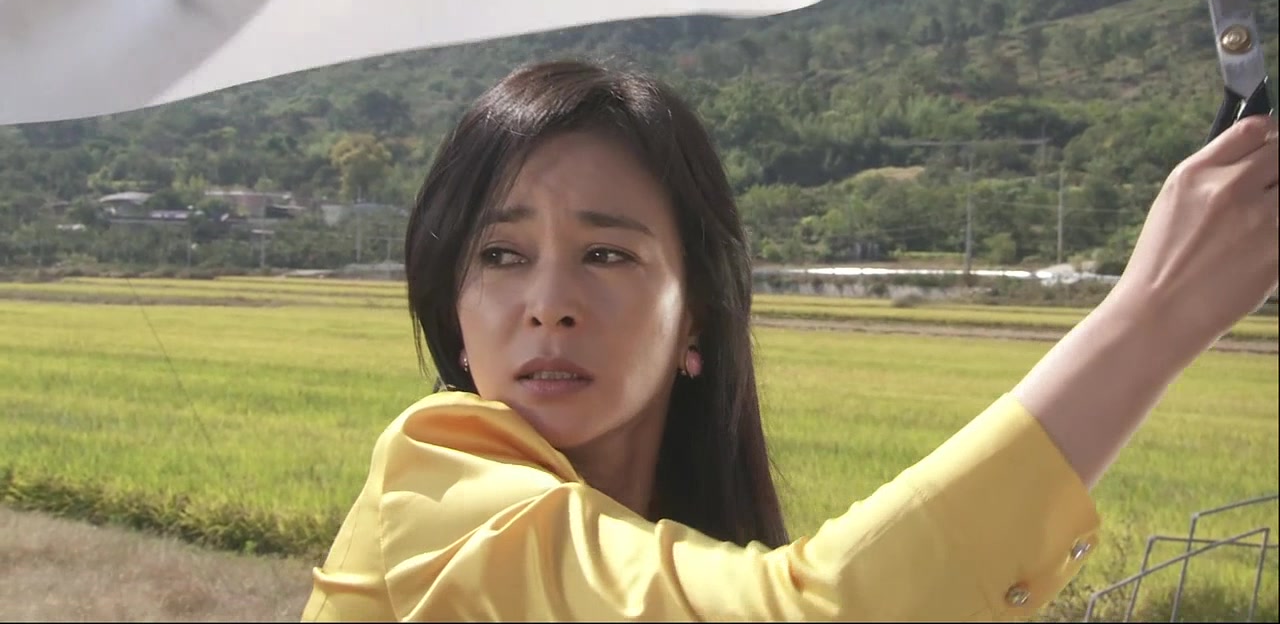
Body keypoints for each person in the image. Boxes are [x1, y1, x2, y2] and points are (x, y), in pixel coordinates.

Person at [301, 60, 1278, 622]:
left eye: (605, 254)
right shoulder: (432, 490)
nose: (548, 304)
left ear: (696, 317)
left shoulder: (685, 552)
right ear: (453, 313)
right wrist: (1151, 314)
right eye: (501, 256)